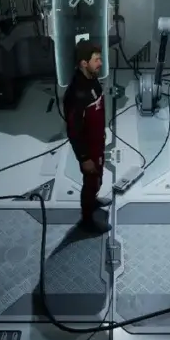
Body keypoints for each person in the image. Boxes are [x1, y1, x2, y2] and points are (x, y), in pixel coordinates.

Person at [63, 41, 111, 233]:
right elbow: (73, 131)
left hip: (97, 141)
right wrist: (84, 158)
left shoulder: (92, 78)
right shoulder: (77, 93)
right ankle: (87, 221)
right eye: (96, 60)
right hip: (88, 148)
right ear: (84, 63)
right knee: (90, 181)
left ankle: (94, 200)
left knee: (97, 177)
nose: (101, 63)